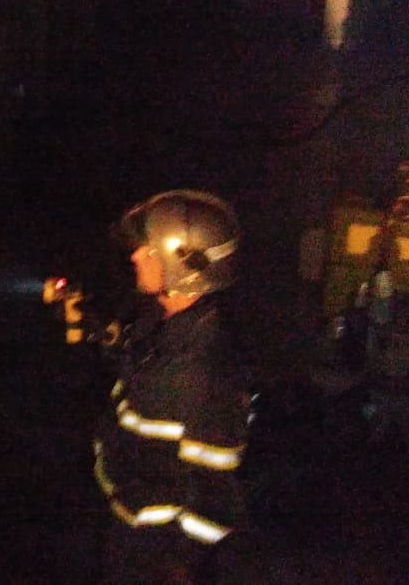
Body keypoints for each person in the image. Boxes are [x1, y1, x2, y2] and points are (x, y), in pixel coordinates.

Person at [94, 189, 253, 584]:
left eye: (147, 250)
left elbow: (216, 497)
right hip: (128, 520)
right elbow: (142, 383)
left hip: (155, 551)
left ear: (182, 265)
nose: (135, 256)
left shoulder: (207, 370)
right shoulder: (161, 321)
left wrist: (181, 568)